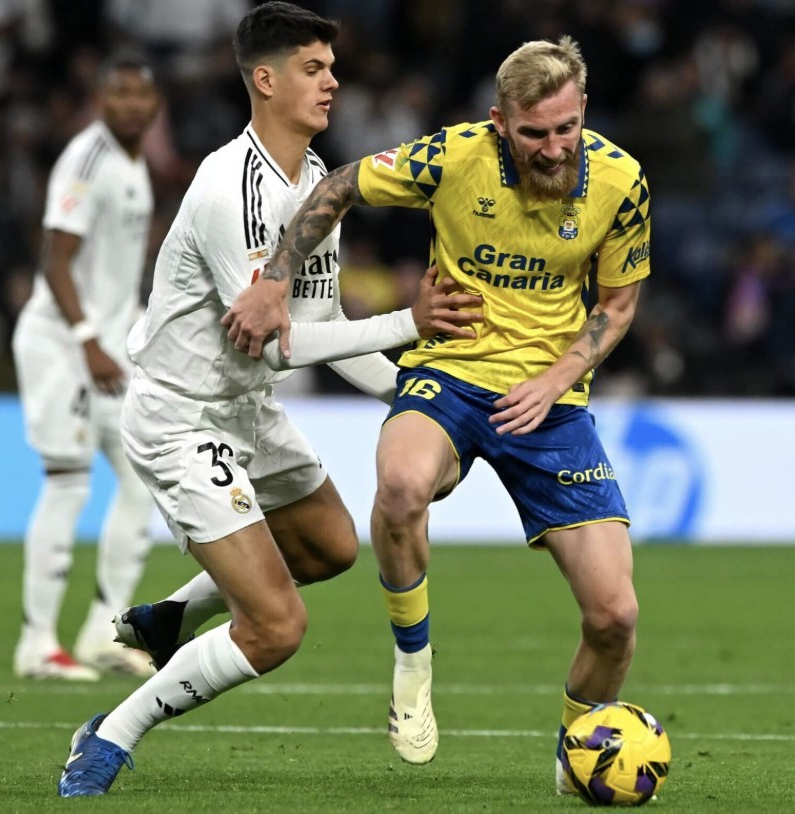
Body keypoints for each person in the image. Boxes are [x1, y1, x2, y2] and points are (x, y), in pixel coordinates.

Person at [57, 2, 480, 797]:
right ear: (265, 79)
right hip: (182, 417)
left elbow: (322, 323)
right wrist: (409, 323)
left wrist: (417, 398)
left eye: (332, 68)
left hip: (247, 409)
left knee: (331, 547)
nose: (332, 82)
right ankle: (110, 734)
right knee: (277, 627)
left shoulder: (317, 181)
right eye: (313, 69)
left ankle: (173, 615)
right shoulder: (231, 189)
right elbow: (279, 343)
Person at [223, 36, 652, 795]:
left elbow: (617, 305)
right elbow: (340, 186)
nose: (554, 148)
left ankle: (577, 752)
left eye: (566, 128)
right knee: (400, 486)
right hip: (449, 372)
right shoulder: (453, 157)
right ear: (499, 122)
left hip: (551, 403)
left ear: (583, 109)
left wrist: (556, 379)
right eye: (534, 133)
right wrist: (274, 282)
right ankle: (413, 662)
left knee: (615, 616)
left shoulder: (621, 181)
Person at [11, 53, 160, 681]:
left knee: (143, 479)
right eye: (119, 93)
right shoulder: (87, 159)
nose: (131, 104)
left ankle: (104, 633)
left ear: (155, 104)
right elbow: (55, 259)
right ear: (99, 100)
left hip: (110, 349)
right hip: (63, 345)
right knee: (68, 482)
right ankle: (37, 643)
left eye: (140, 94)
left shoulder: (136, 164)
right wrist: (87, 340)